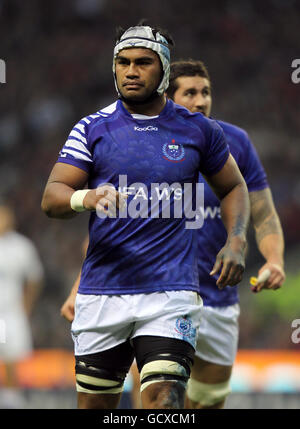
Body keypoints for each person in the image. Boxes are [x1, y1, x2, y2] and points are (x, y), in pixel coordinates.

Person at [41, 24, 250, 410]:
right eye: (122, 62)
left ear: (165, 72)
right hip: (104, 293)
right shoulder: (91, 128)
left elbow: (234, 187)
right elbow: (53, 197)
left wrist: (236, 241)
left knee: (164, 400)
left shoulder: (198, 130)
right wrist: (88, 197)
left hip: (170, 293)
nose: (131, 71)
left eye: (143, 62)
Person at [165, 60, 285, 409]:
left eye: (206, 92)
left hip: (219, 299)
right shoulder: (147, 144)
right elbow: (115, 226)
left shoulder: (236, 143)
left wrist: (274, 260)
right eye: (190, 93)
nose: (201, 100)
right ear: (169, 98)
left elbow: (263, 215)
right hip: (163, 296)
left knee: (206, 404)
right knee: (163, 400)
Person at [0, 204, 44, 407]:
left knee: (11, 356)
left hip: (10, 312)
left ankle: (11, 398)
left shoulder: (21, 246)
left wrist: (26, 306)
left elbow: (34, 278)